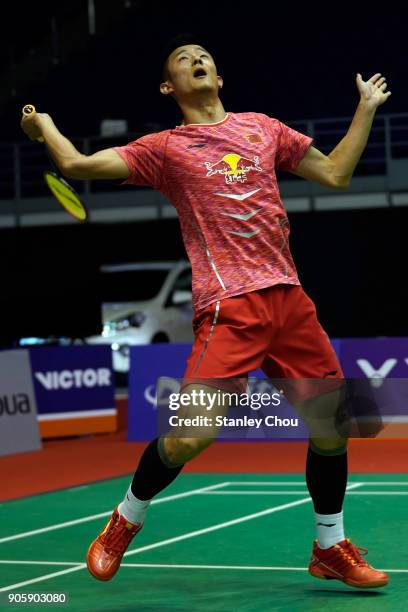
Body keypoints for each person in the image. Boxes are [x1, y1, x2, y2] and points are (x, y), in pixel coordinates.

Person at [21, 34, 391, 589]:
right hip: (228, 305)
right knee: (190, 437)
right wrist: (43, 126)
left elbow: (335, 173)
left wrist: (364, 111)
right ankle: (125, 520)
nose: (198, 59)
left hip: (289, 298)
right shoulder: (166, 148)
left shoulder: (264, 128)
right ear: (169, 86)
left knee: (335, 429)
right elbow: (77, 162)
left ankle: (330, 546)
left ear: (218, 77)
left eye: (205, 57)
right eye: (183, 59)